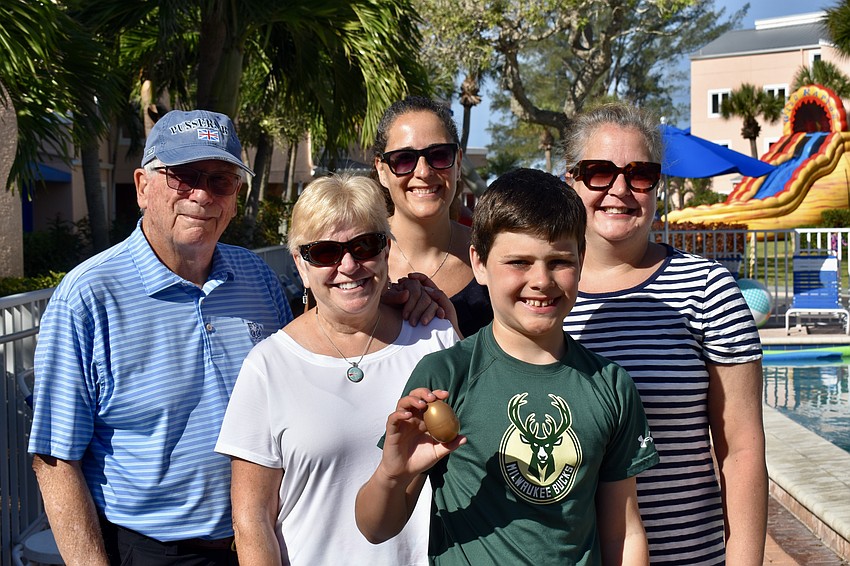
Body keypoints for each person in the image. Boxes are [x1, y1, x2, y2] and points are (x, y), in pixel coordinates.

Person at [27, 109, 292, 565]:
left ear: (234, 197)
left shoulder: (258, 278)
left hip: (268, 542)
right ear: (142, 187)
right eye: (183, 177)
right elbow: (55, 460)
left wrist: (396, 299)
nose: (202, 194)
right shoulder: (87, 297)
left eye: (221, 180)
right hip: (153, 553)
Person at [355, 168, 659, 565]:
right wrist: (392, 474)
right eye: (518, 261)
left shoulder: (610, 385)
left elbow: (624, 530)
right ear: (479, 264)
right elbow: (375, 528)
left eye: (560, 261)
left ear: (581, 262)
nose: (541, 280)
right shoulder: (444, 378)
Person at [215, 173, 459, 565]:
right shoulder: (268, 366)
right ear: (300, 264)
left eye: (364, 245)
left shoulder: (435, 339)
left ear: (386, 251)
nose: (348, 265)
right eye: (325, 252)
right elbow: (252, 520)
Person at [560, 102, 767, 565]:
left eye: (639, 175)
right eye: (598, 172)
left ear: (657, 186)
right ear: (570, 179)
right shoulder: (542, 293)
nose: (619, 190)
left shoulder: (708, 289)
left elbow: (742, 450)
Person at [374, 96, 493, 338]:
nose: (423, 172)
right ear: (381, 170)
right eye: (404, 159)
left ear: (458, 163)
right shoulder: (349, 258)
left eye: (438, 155)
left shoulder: (493, 255)